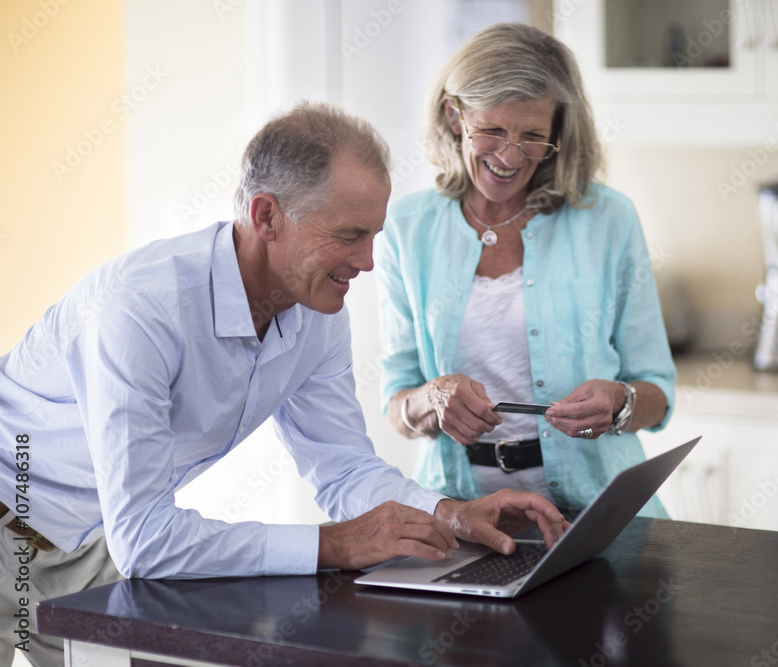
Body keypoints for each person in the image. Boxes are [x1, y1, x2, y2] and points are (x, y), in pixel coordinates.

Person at [0, 102, 568, 667]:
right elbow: (146, 538)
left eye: (372, 235)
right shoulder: (141, 309)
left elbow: (344, 468)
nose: (368, 262)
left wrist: (450, 514)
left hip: (88, 540)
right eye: (348, 236)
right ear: (267, 216)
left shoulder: (317, 309)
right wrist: (334, 544)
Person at [376, 23, 676, 519]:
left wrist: (619, 402)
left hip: (600, 515)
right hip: (462, 517)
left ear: (557, 132)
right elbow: (397, 405)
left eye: (533, 136)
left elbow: (657, 395)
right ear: (454, 115)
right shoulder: (408, 230)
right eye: (492, 130)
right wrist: (433, 399)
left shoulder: (608, 219)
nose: (510, 157)